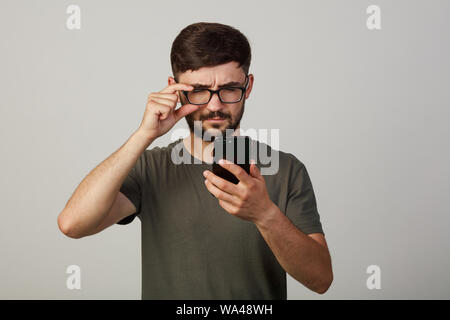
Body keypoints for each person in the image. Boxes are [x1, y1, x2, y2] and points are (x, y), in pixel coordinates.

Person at [57, 22, 333, 299]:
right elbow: (73, 224)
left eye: (229, 89)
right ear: (175, 90)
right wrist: (143, 135)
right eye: (199, 90)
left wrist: (265, 214)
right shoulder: (150, 168)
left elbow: (320, 280)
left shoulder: (285, 170)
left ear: (248, 87)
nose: (214, 105)